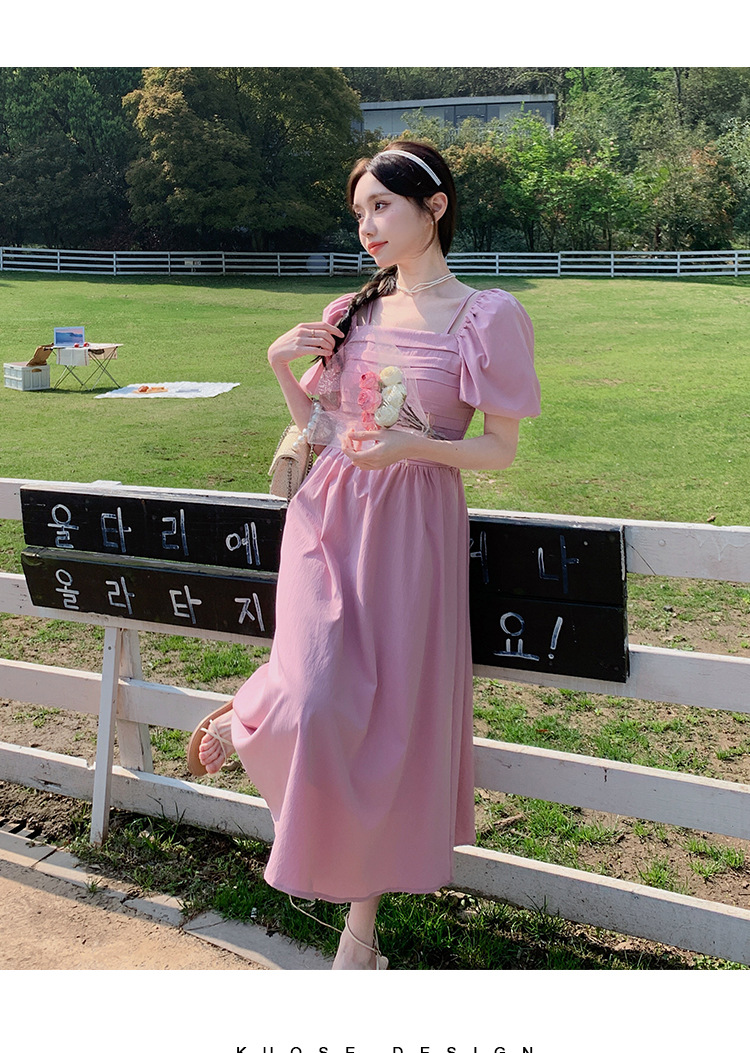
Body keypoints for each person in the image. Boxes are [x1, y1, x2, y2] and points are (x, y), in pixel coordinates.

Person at [188, 140, 541, 970]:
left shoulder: (485, 317)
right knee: (315, 697)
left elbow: (499, 449)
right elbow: (318, 429)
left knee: (385, 726)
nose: (367, 227)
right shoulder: (353, 310)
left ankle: (359, 939)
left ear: (435, 206)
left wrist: (412, 446)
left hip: (413, 532)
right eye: (358, 213)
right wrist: (279, 362)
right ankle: (252, 716)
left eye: (382, 206)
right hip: (328, 518)